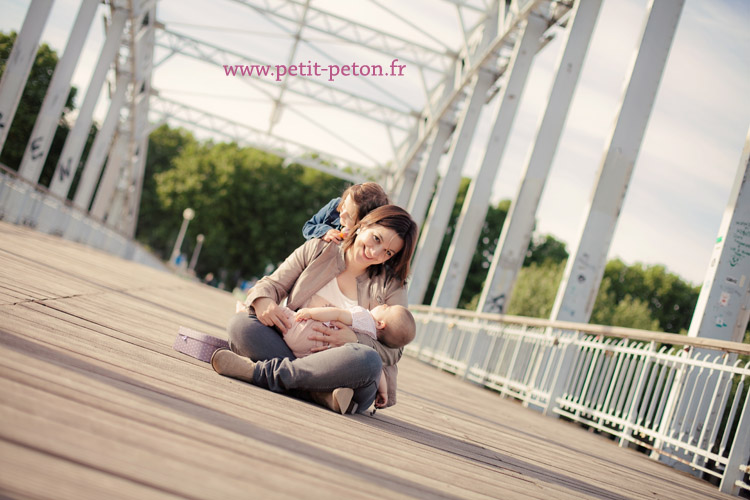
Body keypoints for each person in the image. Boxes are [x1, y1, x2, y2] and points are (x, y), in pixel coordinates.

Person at [212, 205, 418, 415]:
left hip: (342, 373)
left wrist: (355, 340)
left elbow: (395, 349)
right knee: (241, 326)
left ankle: (259, 373)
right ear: (363, 225)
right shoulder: (319, 248)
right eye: (376, 238)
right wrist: (263, 300)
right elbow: (273, 284)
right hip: (292, 345)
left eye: (388, 252)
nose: (375, 253)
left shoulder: (392, 285)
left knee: (368, 360)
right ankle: (319, 394)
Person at [286, 303, 416, 409]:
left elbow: (337, 313)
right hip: (312, 355)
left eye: (387, 308)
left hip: (307, 335)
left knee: (284, 314)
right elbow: (379, 370)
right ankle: (317, 393)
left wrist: (310, 312)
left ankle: (279, 374)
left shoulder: (364, 317)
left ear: (380, 324)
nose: (385, 304)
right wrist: (383, 392)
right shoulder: (372, 340)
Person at [302, 182, 389, 244]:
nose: (342, 215)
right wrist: (325, 232)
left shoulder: (365, 239)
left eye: (349, 217)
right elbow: (308, 227)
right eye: (343, 207)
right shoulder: (335, 205)